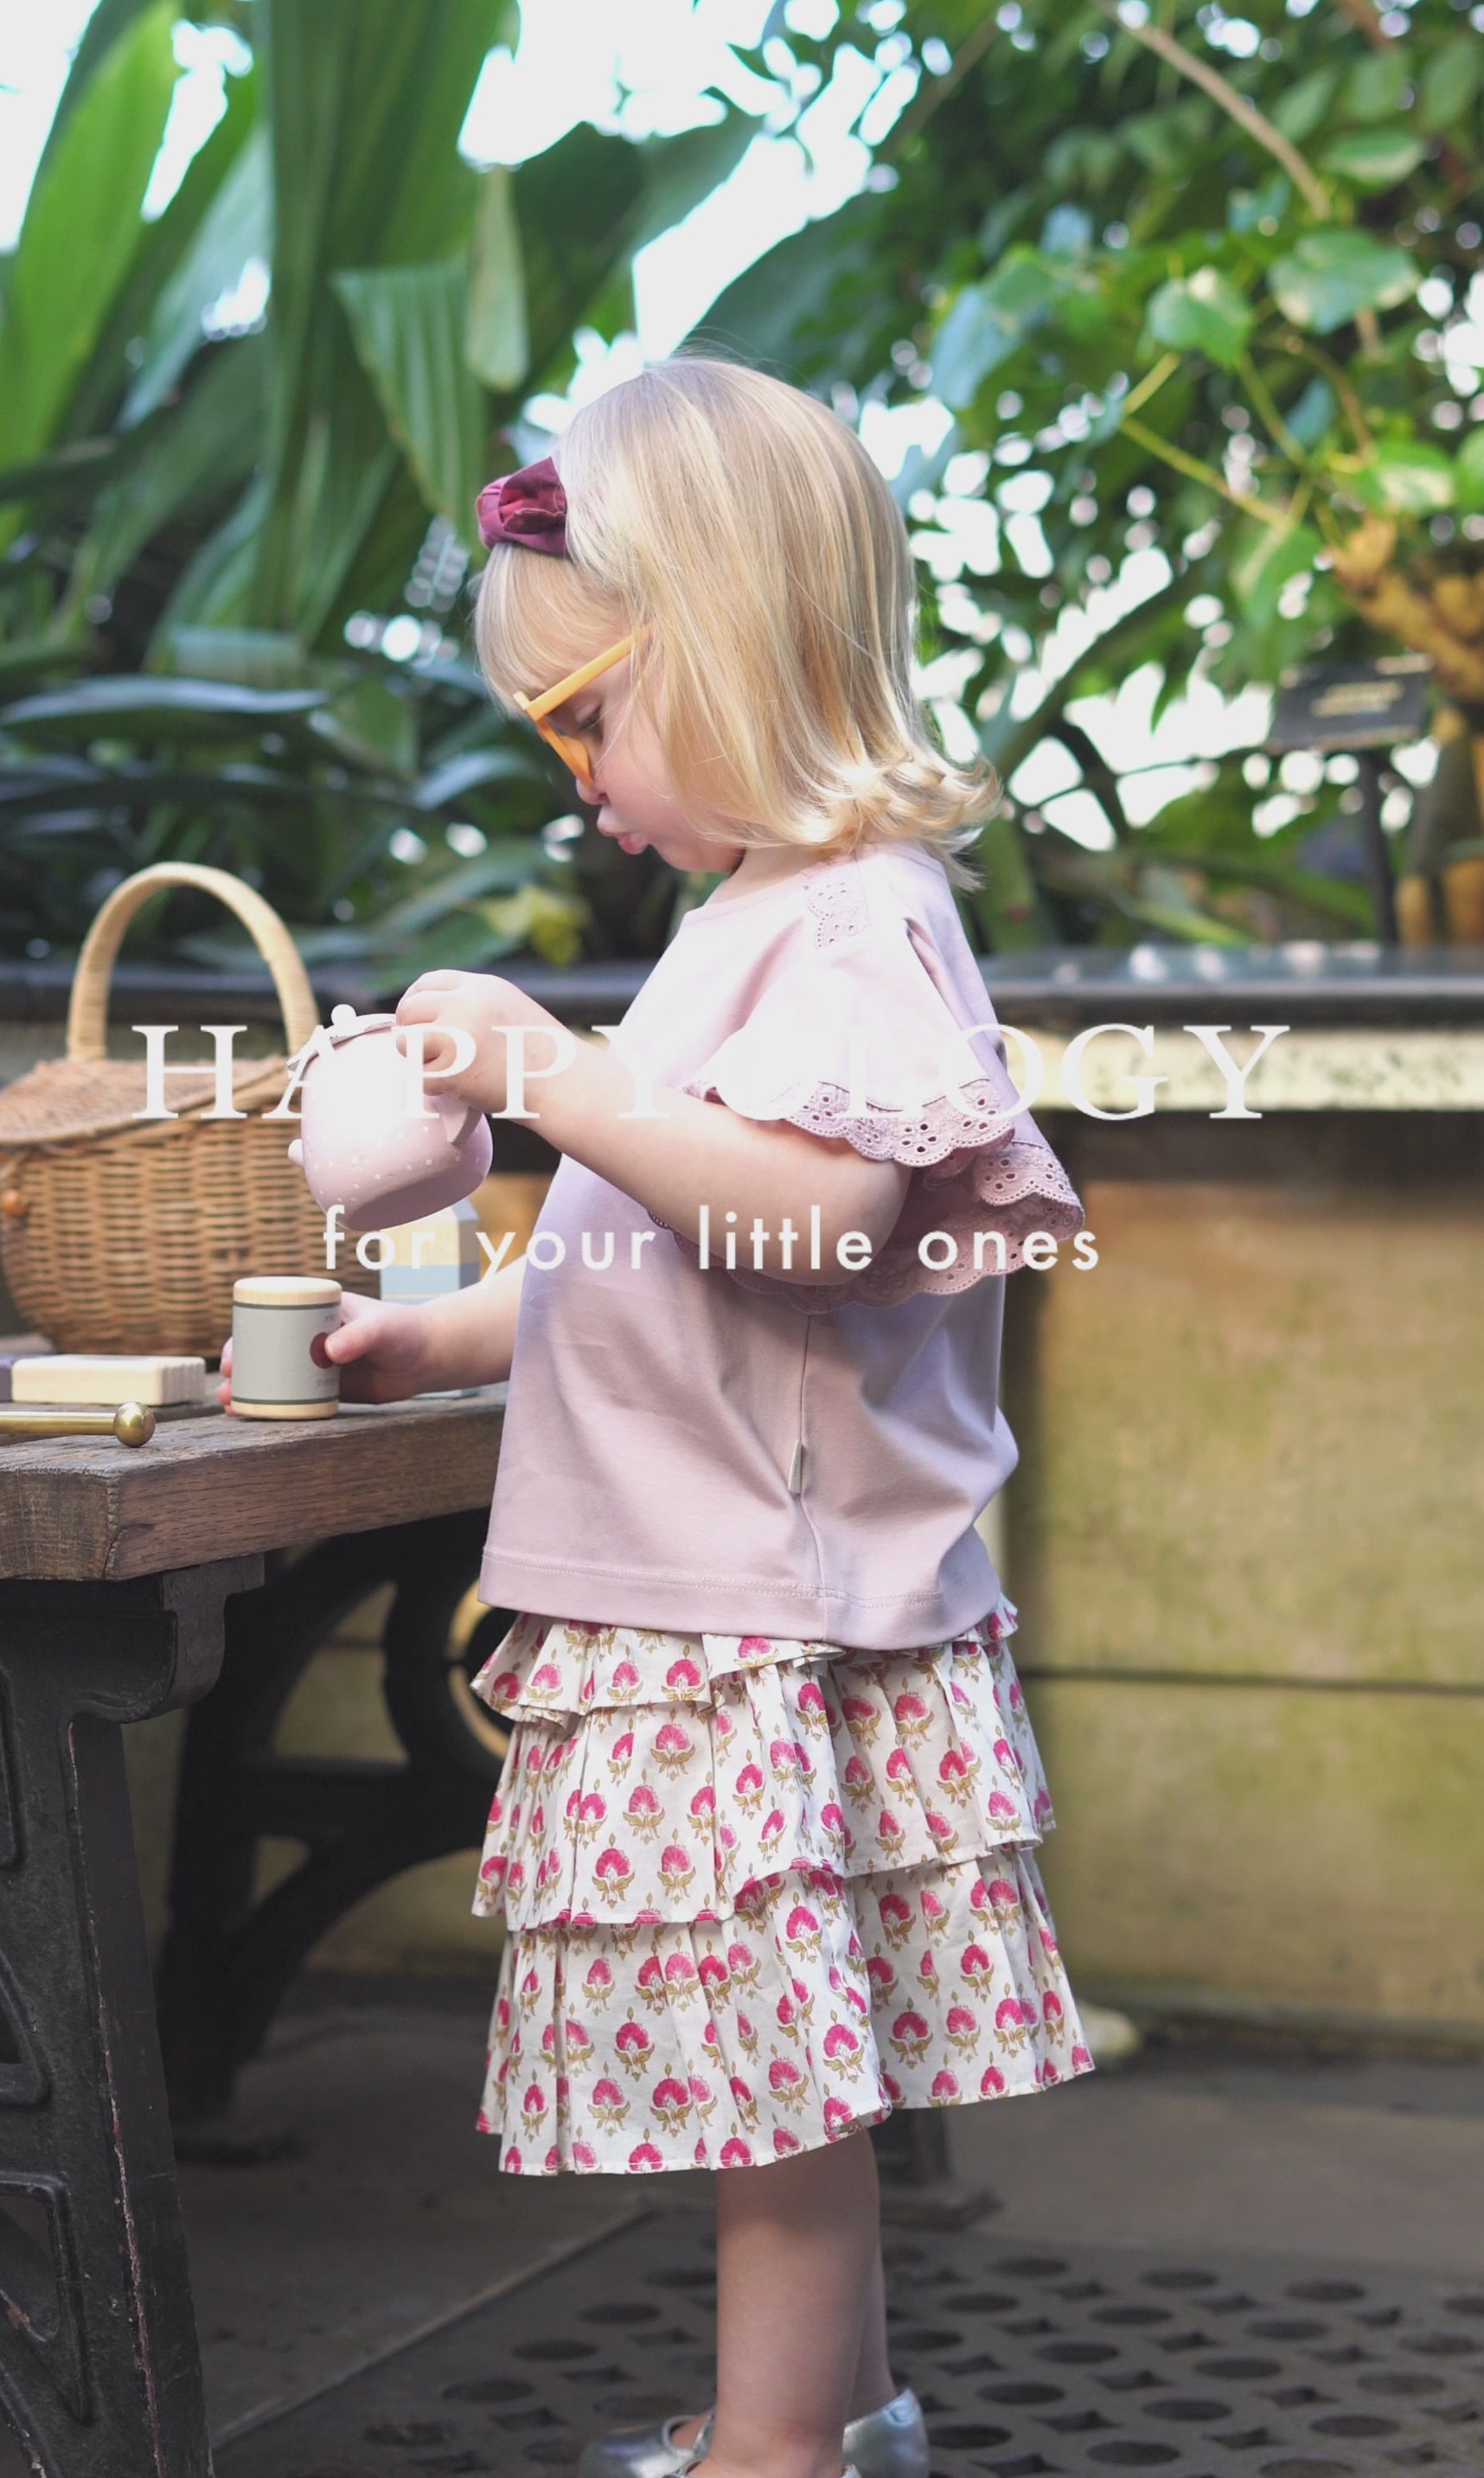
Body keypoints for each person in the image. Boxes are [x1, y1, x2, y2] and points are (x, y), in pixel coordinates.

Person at [227, 357, 1094, 2478]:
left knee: (769, 2089)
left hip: (749, 1607)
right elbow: (659, 1250)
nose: (579, 781)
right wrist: (449, 1339)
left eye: (586, 715)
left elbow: (817, 1220)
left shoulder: (857, 922)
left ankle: (774, 2454)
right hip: (717, 1590)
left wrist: (548, 1074)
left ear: (724, 644)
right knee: (779, 2076)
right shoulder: (752, 927)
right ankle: (835, 2420)